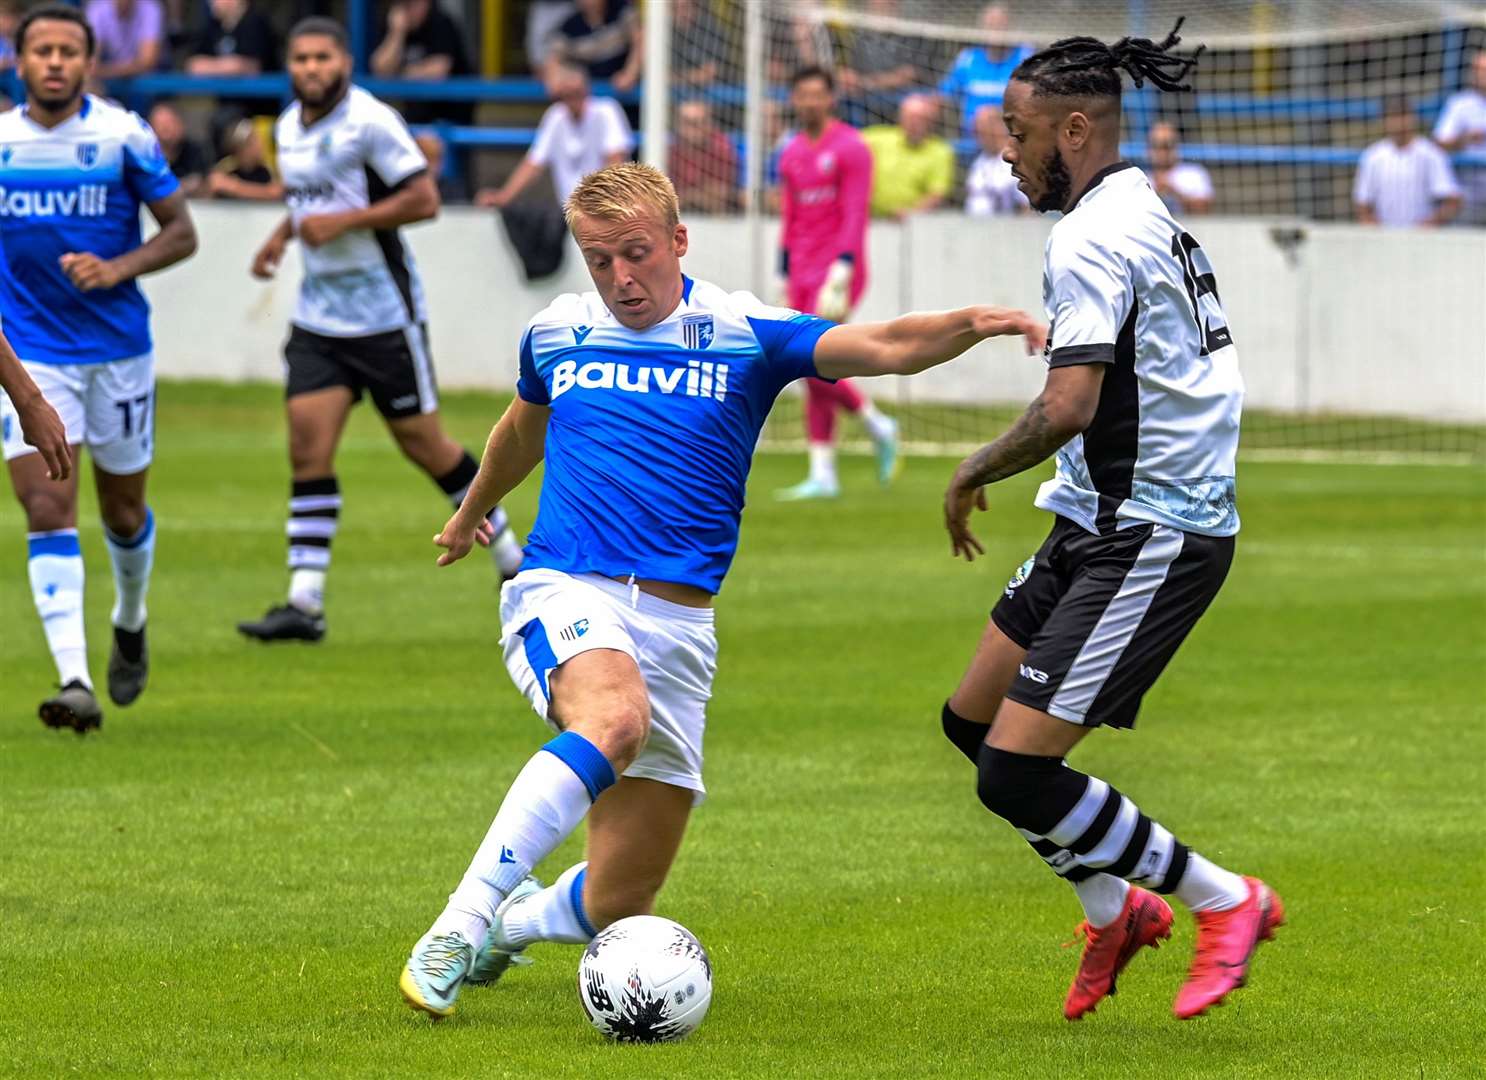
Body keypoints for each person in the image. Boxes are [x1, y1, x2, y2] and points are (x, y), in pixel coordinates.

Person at [395, 161, 1045, 1019]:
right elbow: (523, 428)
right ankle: (456, 922)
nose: (620, 278)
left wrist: (973, 322)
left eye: (636, 254)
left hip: (680, 629)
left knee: (619, 898)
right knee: (613, 719)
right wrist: (473, 509)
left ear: (678, 241)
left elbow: (880, 345)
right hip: (564, 586)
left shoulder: (743, 332)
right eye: (599, 261)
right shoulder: (556, 333)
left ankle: (508, 927)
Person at [939, 20, 1284, 1024]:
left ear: (1074, 128)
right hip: (1096, 516)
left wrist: (969, 467)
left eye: (1016, 131)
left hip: (1155, 529)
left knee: (1013, 768)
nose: (1004, 152)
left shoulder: (1090, 233)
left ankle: (1228, 901)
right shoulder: (1142, 210)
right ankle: (1113, 906)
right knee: (969, 727)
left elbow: (1068, 405)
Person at [236, 18, 522, 643]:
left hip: (384, 318)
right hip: (318, 319)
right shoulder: (287, 125)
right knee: (308, 449)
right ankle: (304, 602)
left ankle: (513, 560)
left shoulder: (370, 121)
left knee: (427, 447)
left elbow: (423, 199)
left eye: (322, 57)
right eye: (301, 58)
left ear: (344, 61)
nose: (311, 68)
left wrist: (344, 223)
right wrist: (281, 238)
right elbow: (305, 199)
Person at [0, 3, 198, 731]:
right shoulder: (1, 142)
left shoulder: (122, 135)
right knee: (47, 504)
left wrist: (118, 268)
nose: (54, 61)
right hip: (27, 353)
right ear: (18, 61)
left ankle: (131, 617)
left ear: (90, 62)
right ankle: (75, 678)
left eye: (68, 51)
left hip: (117, 354)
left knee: (121, 510)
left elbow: (181, 232)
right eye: (41, 50)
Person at [774, 66, 897, 501]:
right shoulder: (789, 152)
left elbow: (854, 211)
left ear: (831, 98)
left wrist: (843, 269)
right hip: (802, 270)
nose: (808, 102)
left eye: (816, 94)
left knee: (810, 360)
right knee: (810, 364)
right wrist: (781, 268)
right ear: (794, 99)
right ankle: (834, 461)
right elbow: (789, 214)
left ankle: (871, 426)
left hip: (838, 269)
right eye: (800, 94)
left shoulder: (851, 147)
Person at [474, 62, 632, 210]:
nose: (572, 99)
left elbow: (615, 161)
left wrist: (600, 203)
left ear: (586, 89)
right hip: (571, 212)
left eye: (576, 93)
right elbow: (533, 164)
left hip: (603, 208)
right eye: (566, 95)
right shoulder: (556, 115)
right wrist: (503, 197)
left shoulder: (606, 110)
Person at [1354, 96, 1461, 227]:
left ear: (1413, 117)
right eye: (1393, 117)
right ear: (1384, 120)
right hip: (1384, 238)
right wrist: (1376, 232)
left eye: (1403, 115)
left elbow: (1453, 201)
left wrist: (1429, 225)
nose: (1399, 123)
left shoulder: (1431, 153)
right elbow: (1363, 204)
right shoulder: (1373, 156)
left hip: (1423, 240)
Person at [369, 0, 473, 125]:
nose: (409, 11)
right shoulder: (393, 27)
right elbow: (380, 69)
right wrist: (397, 33)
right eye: (405, 6)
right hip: (412, 116)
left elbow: (438, 69)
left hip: (447, 114)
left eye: (414, 4)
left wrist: (400, 74)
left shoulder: (441, 22)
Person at [938, 4, 1035, 134]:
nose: (995, 31)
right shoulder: (968, 58)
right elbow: (944, 94)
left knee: (986, 117)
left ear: (1010, 28)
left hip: (1011, 139)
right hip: (970, 139)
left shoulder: (1025, 58)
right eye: (990, 25)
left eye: (1000, 25)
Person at [862, 93, 954, 219]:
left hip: (914, 224)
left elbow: (936, 194)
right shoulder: (877, 138)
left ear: (930, 121)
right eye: (910, 117)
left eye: (920, 119)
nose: (914, 123)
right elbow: (844, 144)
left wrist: (911, 214)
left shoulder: (940, 151)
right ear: (900, 118)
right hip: (871, 219)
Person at [545, 0, 641, 96]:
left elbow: (640, 41)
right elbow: (553, 61)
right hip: (590, 101)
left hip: (627, 97)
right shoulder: (568, 26)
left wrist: (630, 74)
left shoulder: (623, 11)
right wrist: (556, 79)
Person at [1433, 51, 1486, 226]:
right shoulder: (1460, 104)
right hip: (1468, 197)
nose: (1482, 74)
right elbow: (1439, 143)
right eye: (1478, 69)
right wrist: (1466, 138)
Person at [668, 98, 737, 214]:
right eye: (687, 123)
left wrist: (688, 197)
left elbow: (720, 196)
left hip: (716, 216)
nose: (693, 129)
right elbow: (663, 198)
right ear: (678, 124)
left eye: (698, 123)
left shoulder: (721, 147)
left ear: (709, 124)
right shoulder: (669, 150)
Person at [964, 103, 1028, 216]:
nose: (977, 134)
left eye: (982, 129)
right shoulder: (979, 161)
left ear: (997, 128)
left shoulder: (1016, 160)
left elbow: (1026, 207)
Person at [185, 0, 277, 76]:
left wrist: (211, 66)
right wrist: (228, 66)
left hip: (261, 96)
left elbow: (252, 67)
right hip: (228, 96)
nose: (211, 2)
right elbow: (193, 65)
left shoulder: (256, 22)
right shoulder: (214, 26)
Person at [205, 117, 282, 201]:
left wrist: (235, 187)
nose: (259, 146)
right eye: (253, 142)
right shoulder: (226, 168)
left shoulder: (267, 169)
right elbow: (213, 186)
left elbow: (276, 193)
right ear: (239, 148)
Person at [84, 0, 164, 80]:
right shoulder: (97, 9)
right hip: (112, 73)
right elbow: (92, 62)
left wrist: (104, 72)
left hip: (146, 76)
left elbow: (147, 62)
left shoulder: (150, 8)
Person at [1146, 121, 1213, 215]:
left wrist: (1173, 192)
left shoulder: (1194, 173)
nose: (1161, 151)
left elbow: (1204, 209)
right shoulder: (1142, 178)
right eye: (1156, 145)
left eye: (1166, 145)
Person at [149, 100, 209, 197]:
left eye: (170, 123)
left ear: (181, 125)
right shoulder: (145, 154)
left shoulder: (194, 151)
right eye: (160, 124)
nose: (165, 129)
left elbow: (200, 183)